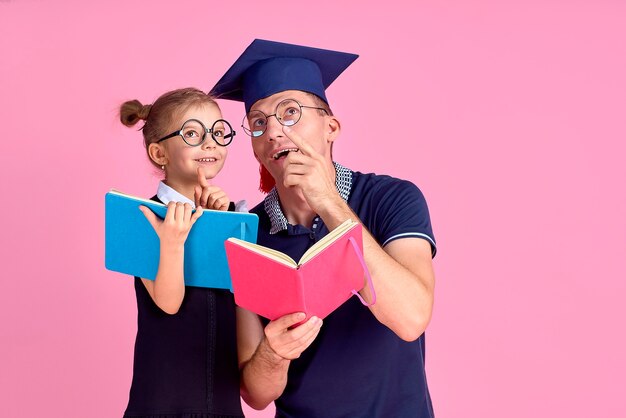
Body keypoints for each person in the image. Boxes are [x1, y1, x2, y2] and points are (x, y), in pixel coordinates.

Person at [211, 39, 437, 417]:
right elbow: (256, 394)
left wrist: (328, 202)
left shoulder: (392, 199)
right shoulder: (246, 232)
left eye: (290, 112)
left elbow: (411, 317)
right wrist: (274, 353)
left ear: (330, 126)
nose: (273, 131)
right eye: (258, 123)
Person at [119, 87, 245, 418]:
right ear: (160, 154)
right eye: (192, 133)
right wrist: (173, 243)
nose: (210, 143)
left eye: (218, 133)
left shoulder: (234, 216)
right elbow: (168, 302)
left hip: (223, 402)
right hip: (163, 403)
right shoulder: (142, 218)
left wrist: (218, 223)